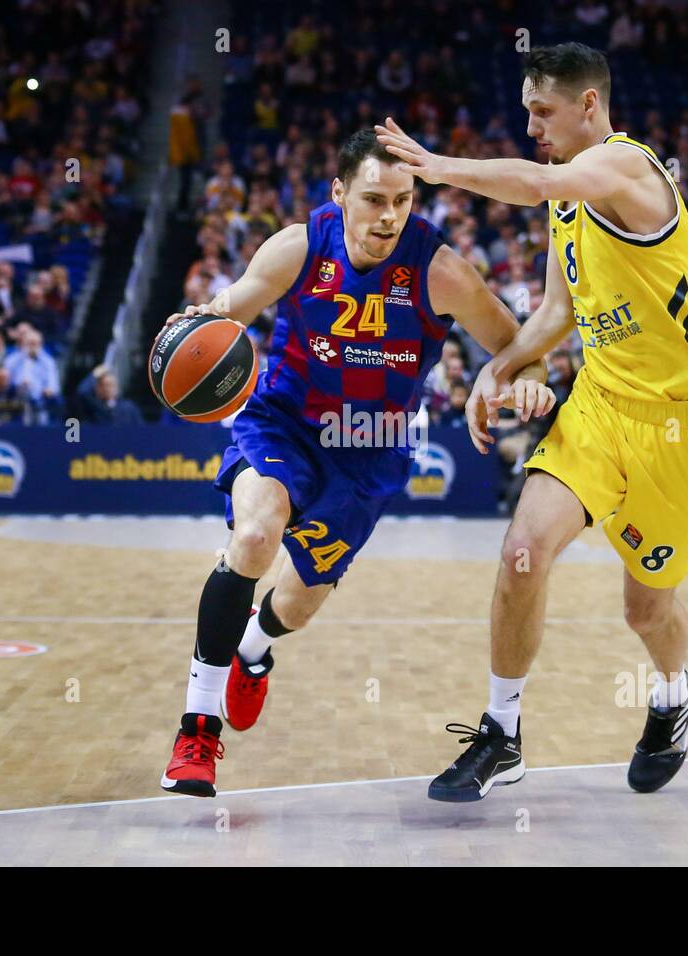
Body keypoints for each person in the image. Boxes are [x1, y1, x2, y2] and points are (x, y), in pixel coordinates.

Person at [377, 42, 688, 800]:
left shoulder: (626, 167)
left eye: (543, 112)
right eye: (525, 112)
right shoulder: (568, 199)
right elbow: (555, 312)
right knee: (522, 549)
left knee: (647, 609)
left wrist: (441, 167)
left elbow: (538, 178)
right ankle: (501, 731)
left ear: (588, 106)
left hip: (685, 428)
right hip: (603, 406)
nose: (532, 125)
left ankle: (674, 696)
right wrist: (498, 366)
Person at [158, 129, 556, 797]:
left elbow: (516, 344)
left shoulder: (440, 271)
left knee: (298, 603)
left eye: (403, 200)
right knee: (256, 536)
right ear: (340, 193)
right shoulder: (298, 246)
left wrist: (525, 377)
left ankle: (254, 652)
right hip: (284, 424)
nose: (389, 216)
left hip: (370, 450)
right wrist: (197, 323)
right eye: (374, 199)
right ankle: (198, 725)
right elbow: (233, 307)